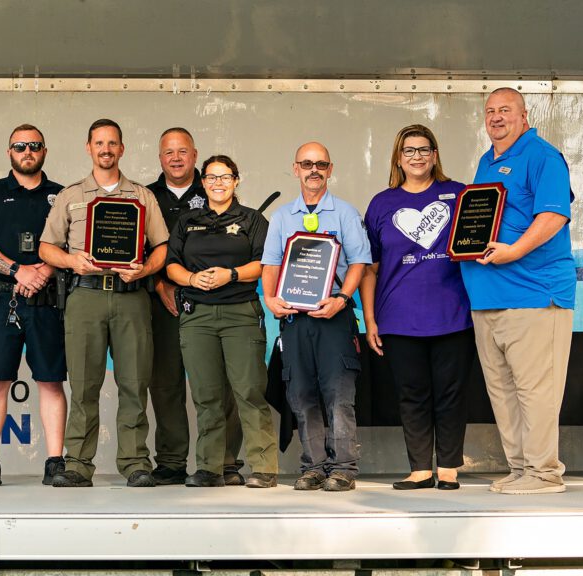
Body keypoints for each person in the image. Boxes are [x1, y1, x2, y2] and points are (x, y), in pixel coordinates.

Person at [39, 118, 169, 488]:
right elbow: (46, 247)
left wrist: (145, 269)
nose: (106, 150)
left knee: (134, 384)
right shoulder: (71, 196)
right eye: (99, 143)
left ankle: (135, 463)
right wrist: (70, 260)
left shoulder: (142, 196)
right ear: (89, 148)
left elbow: (162, 247)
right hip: (86, 297)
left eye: (112, 143)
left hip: (131, 299)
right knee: (83, 386)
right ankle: (78, 464)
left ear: (122, 149)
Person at [461, 88, 575, 495]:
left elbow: (553, 216)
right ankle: (522, 467)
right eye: (490, 111)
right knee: (503, 392)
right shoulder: (486, 161)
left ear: (524, 115)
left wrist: (515, 251)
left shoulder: (542, 156)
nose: (496, 117)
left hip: (534, 294)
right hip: (487, 298)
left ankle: (544, 473)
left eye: (505, 110)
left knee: (535, 391)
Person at [359, 124, 473, 491]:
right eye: (409, 150)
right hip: (398, 316)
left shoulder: (460, 195)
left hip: (453, 312)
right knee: (412, 395)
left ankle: (449, 468)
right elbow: (370, 268)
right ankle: (421, 469)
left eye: (424, 149)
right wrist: (370, 319)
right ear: (398, 158)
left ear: (435, 155)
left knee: (451, 394)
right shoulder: (381, 204)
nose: (417, 156)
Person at [262, 142, 372, 492]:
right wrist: (270, 299)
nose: (314, 170)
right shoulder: (281, 217)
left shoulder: (345, 213)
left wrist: (342, 298)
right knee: (301, 394)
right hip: (295, 320)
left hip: (334, 317)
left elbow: (359, 263)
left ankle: (343, 468)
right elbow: (270, 264)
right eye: (307, 164)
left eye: (321, 164)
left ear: (330, 169)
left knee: (339, 395)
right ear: (295, 168)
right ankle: (313, 467)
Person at [165, 155, 278, 488]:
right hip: (197, 316)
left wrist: (231, 274)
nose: (218, 183)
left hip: (240, 313)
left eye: (225, 177)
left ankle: (264, 467)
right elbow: (171, 264)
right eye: (212, 177)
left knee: (249, 391)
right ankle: (210, 468)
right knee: (207, 396)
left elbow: (264, 263)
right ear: (203, 182)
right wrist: (190, 279)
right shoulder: (187, 221)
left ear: (236, 180)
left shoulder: (252, 219)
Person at [0, 124, 68, 486]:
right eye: (20, 146)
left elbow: (72, 242)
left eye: (34, 145)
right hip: (0, 300)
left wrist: (44, 270)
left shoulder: (61, 195)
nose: (28, 151)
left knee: (51, 381)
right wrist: (17, 270)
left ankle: (55, 462)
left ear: (44, 151)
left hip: (47, 300)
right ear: (9, 151)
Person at [146, 128, 245, 486]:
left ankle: (225, 462)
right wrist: (160, 285)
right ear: (160, 157)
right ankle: (172, 461)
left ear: (194, 155)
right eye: (168, 152)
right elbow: (138, 250)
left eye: (183, 151)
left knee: (223, 384)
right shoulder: (146, 196)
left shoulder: (214, 191)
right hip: (165, 302)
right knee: (165, 382)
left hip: (215, 302)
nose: (176, 158)